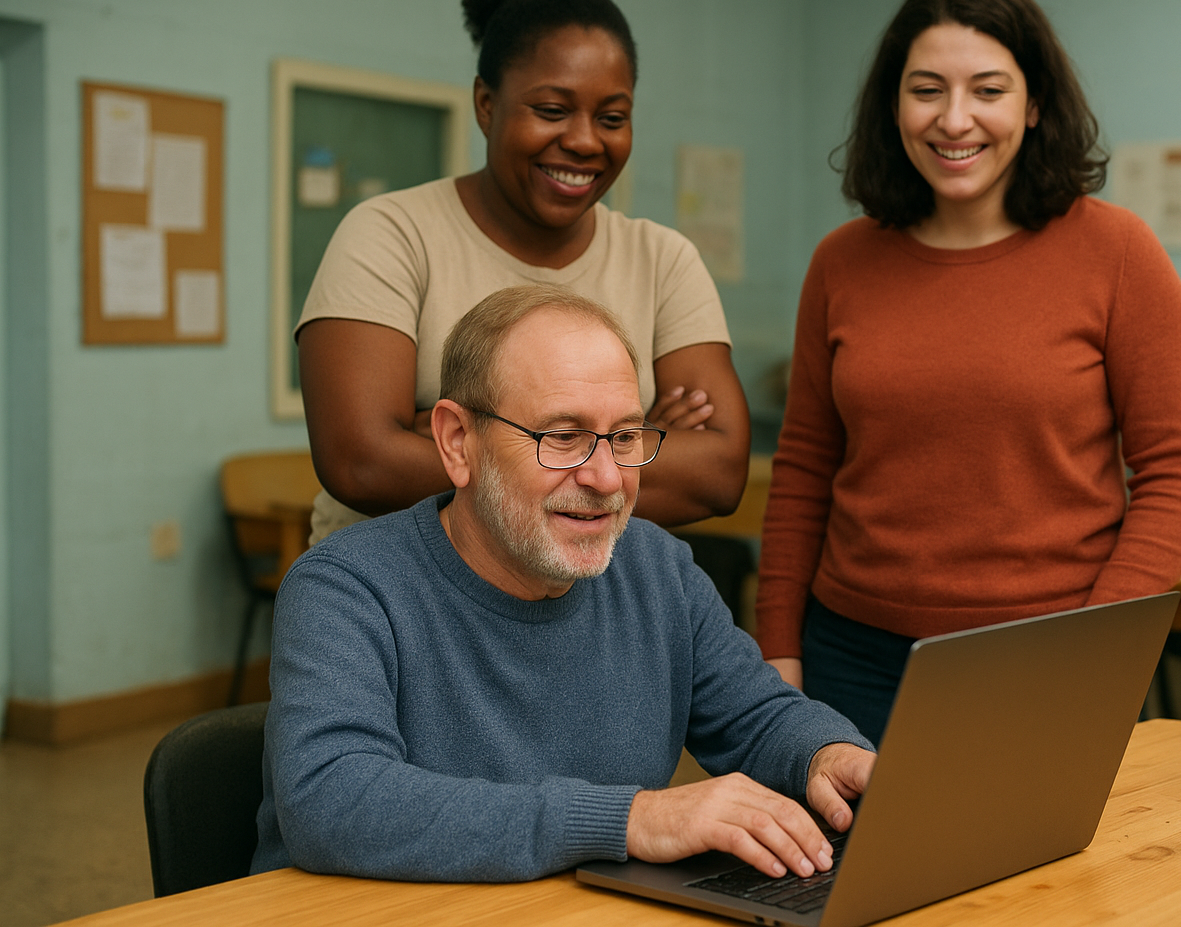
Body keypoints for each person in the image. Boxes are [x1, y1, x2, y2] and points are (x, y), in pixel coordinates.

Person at [254, 285, 874, 882]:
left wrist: (827, 754)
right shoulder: (345, 588)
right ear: (458, 442)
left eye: (624, 437)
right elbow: (330, 798)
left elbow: (758, 717)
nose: (607, 478)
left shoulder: (658, 570)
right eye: (563, 437)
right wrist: (628, 820)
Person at [755, 0, 1181, 744]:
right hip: (848, 658)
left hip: (1046, 655)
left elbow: (1176, 470)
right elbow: (803, 467)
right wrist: (777, 648)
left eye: (989, 90)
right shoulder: (842, 261)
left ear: (1034, 105)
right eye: (927, 89)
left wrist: (1098, 650)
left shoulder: (1118, 251)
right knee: (850, 836)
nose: (955, 119)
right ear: (893, 104)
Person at [297, 0, 748, 543]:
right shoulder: (392, 236)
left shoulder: (663, 260)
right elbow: (362, 464)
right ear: (487, 105)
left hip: (583, 592)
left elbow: (719, 474)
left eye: (612, 118)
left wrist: (472, 444)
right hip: (396, 591)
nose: (585, 141)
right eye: (552, 110)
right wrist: (630, 448)